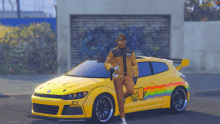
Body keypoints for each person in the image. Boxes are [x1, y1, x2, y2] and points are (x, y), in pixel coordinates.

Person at [104, 34, 139, 124]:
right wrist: (110, 68)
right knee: (119, 99)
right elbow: (107, 63)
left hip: (127, 76)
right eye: (118, 41)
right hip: (117, 77)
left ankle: (122, 96)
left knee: (131, 91)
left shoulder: (130, 52)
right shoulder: (113, 52)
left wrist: (135, 76)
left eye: (121, 41)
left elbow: (134, 64)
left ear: (124, 41)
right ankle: (123, 119)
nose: (119, 43)